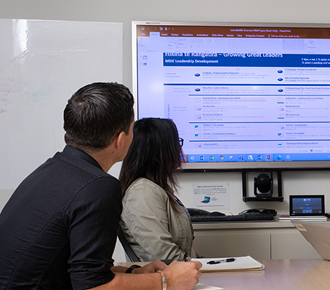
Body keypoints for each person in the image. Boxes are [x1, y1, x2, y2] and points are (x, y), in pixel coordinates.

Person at [0, 83, 201, 290]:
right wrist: (166, 282)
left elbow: (81, 270)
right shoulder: (98, 186)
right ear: (120, 140)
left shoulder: (52, 169)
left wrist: (135, 273)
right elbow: (92, 286)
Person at [120, 118, 193, 262]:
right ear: (161, 151)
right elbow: (163, 256)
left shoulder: (155, 188)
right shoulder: (143, 192)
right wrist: (198, 268)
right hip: (166, 280)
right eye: (177, 143)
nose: (179, 149)